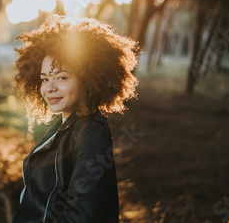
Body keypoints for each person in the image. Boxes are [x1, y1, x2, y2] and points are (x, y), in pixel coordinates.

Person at [12, 14, 139, 223]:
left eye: (62, 77)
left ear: (87, 80)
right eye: (44, 79)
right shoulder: (62, 126)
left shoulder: (91, 131)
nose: (50, 88)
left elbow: (82, 215)